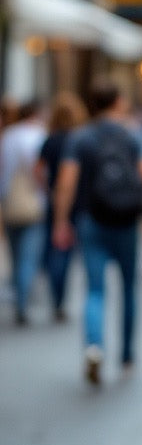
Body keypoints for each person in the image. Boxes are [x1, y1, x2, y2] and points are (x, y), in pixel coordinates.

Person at [53, 80, 142, 384]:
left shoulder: (80, 137)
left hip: (92, 220)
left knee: (95, 290)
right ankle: (126, 356)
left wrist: (61, 221)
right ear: (119, 102)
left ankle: (94, 346)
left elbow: (66, 184)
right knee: (128, 289)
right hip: (125, 222)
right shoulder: (134, 134)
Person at [38, 91, 89, 321]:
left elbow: (38, 170)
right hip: (79, 201)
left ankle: (56, 296)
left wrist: (47, 189)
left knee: (57, 247)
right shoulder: (81, 140)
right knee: (68, 251)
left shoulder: (50, 140)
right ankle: (61, 296)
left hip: (56, 200)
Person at [0, 101, 46, 324]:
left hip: (10, 200)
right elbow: (39, 171)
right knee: (28, 255)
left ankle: (18, 293)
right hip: (32, 201)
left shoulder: (9, 136)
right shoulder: (38, 135)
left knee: (16, 252)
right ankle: (22, 301)